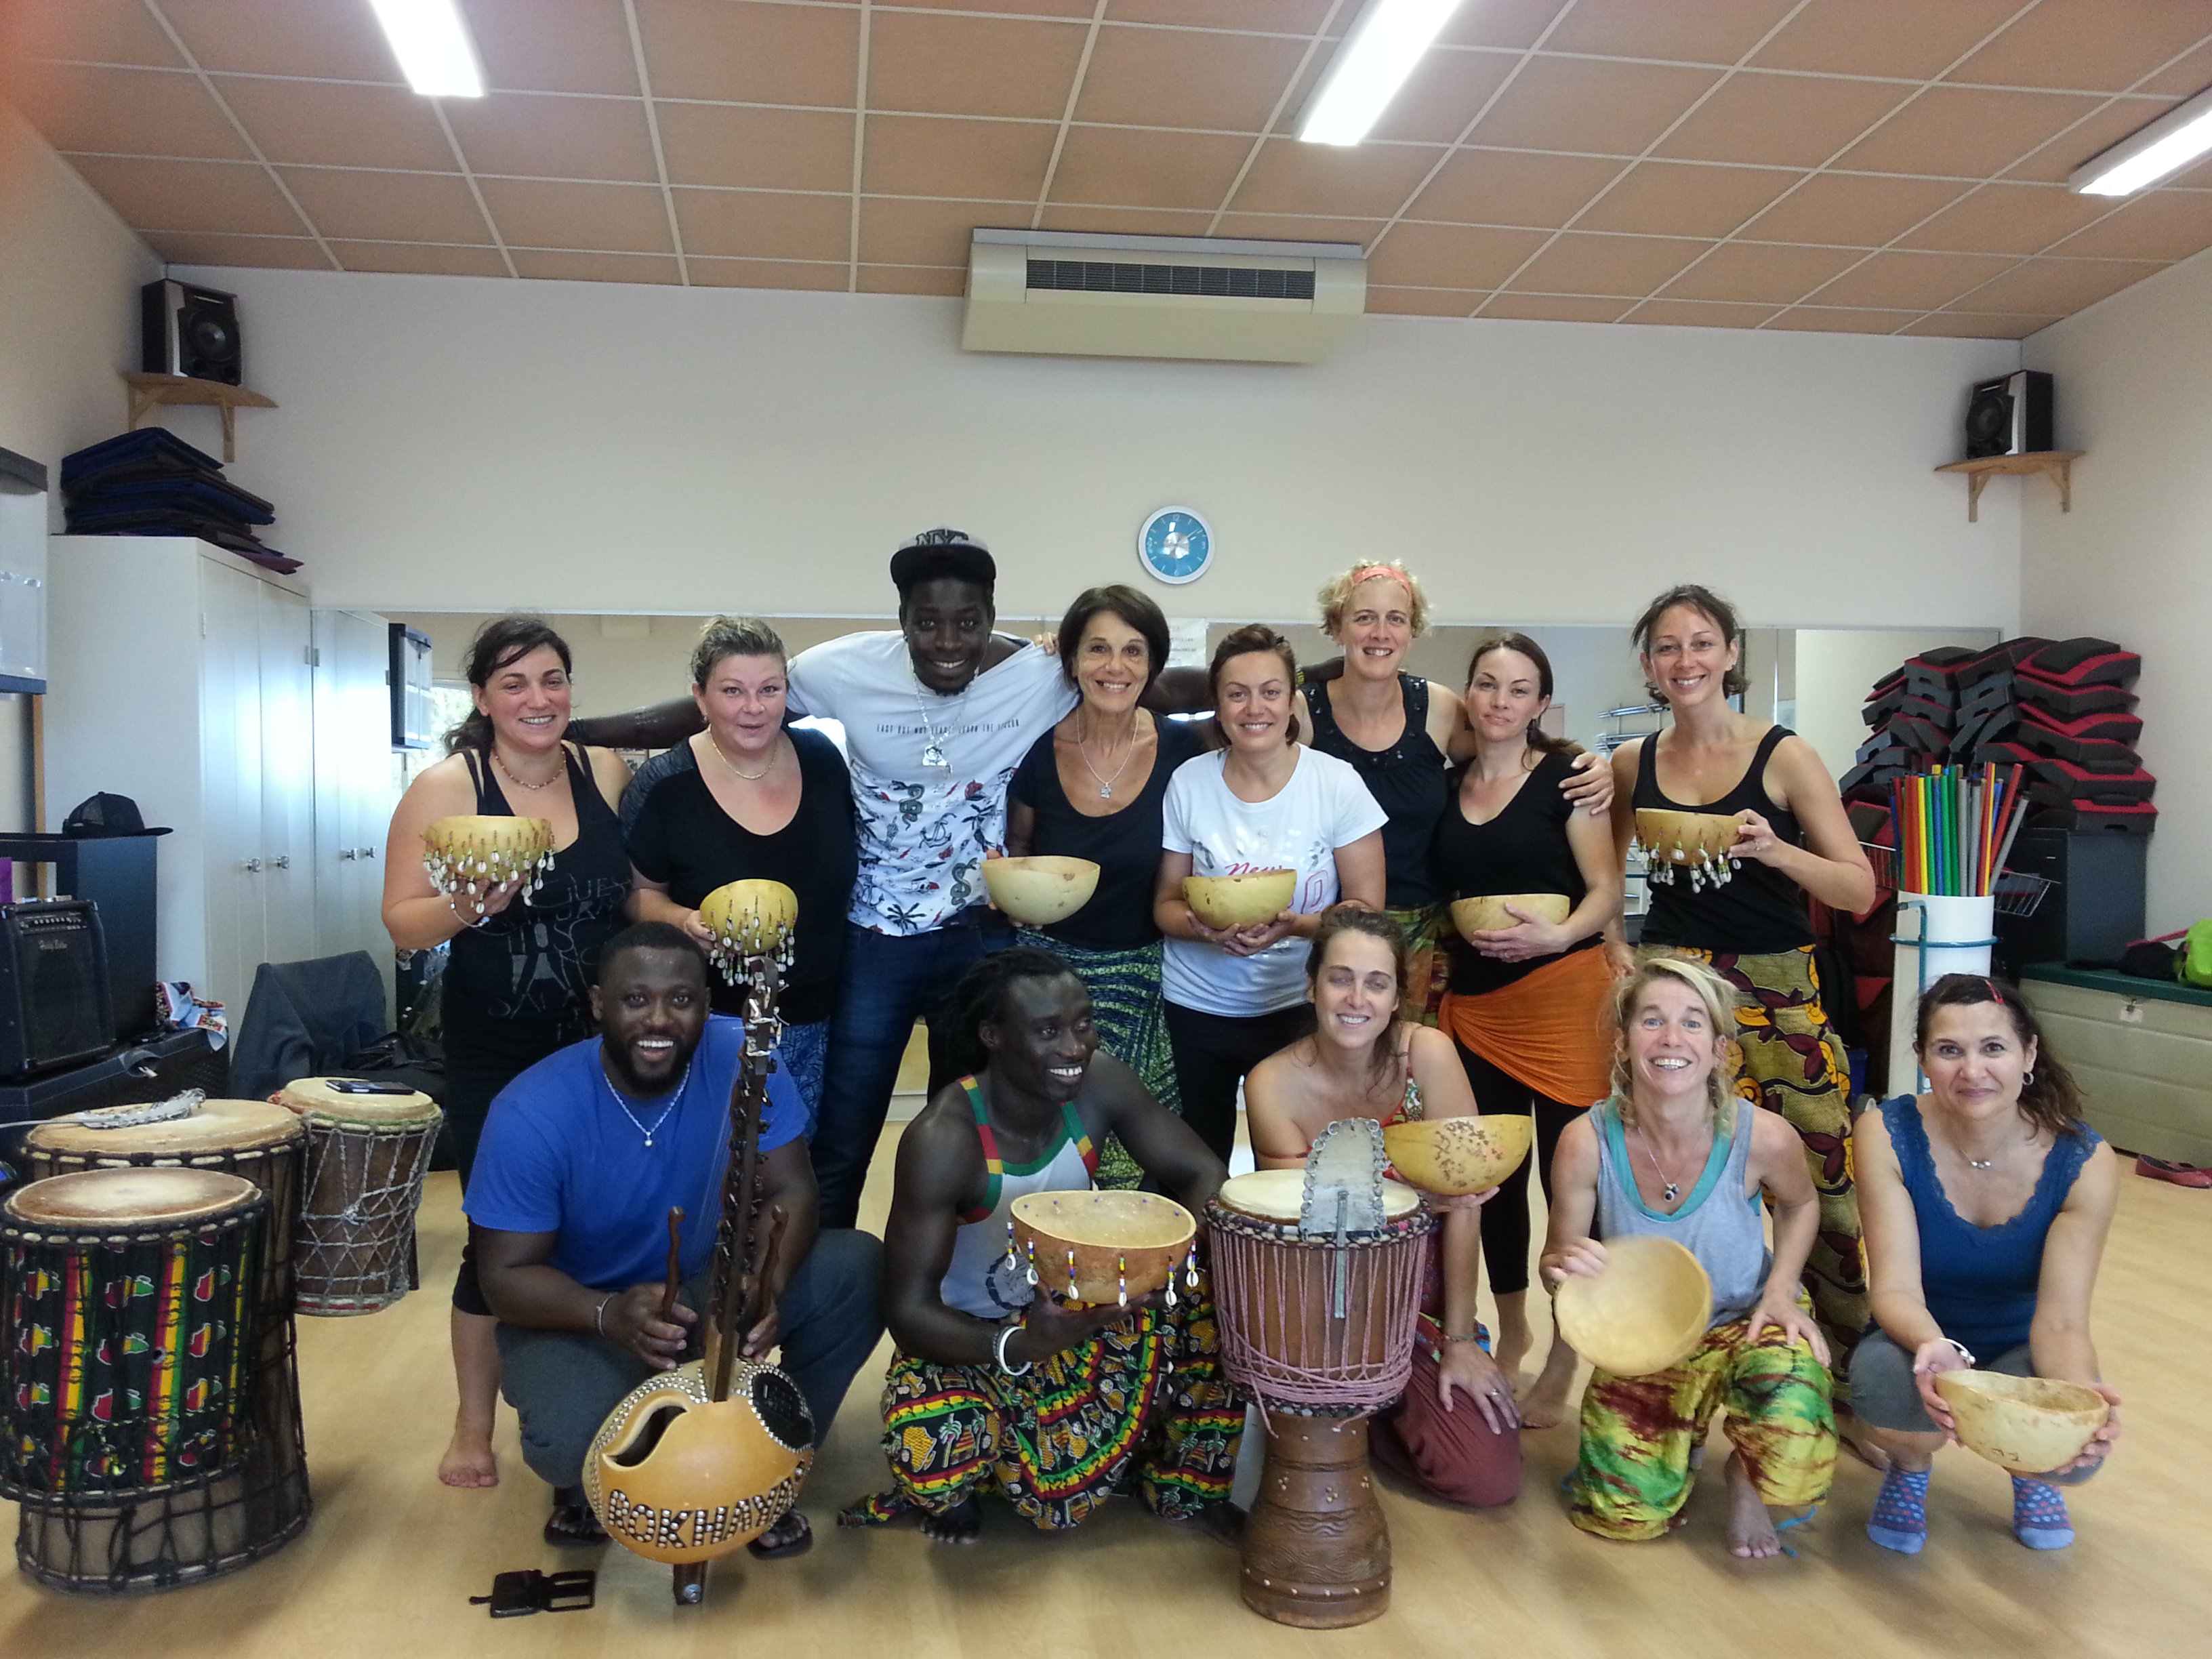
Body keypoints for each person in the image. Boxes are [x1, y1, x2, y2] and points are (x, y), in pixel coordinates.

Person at [573, 529, 1077, 1230]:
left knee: (972, 1129)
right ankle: (826, 1282)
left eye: (967, 622)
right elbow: (735, 702)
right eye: (927, 622)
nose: (947, 640)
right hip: (874, 941)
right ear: (902, 621)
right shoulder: (843, 668)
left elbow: (1148, 682)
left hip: (980, 939)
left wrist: (1286, 706)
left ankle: (948, 1285)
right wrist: (573, 729)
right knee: (844, 1134)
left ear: (993, 617)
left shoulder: (1039, 672)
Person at [467, 923, 884, 1551]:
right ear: (599, 1004)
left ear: (705, 1004)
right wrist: (606, 1314)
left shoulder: (746, 1057)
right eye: (636, 1000)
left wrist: (764, 1284)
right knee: (568, 1443)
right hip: (583, 1310)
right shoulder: (530, 1113)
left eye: (681, 1000)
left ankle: (768, 1460)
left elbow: (793, 1190)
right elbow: (503, 1279)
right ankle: (606, 1469)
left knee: (856, 1267)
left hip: (703, 1287)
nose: (659, 1019)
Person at [839, 947, 1241, 1544]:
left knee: (1214, 1294)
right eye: (1048, 1031)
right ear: (993, 1036)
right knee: (932, 1449)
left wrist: (1160, 1260)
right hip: (976, 1343)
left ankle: (1185, 1485)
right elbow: (909, 1313)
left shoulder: (1100, 1081)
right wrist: (1022, 1342)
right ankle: (971, 1483)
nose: (1075, 1047)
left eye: (1083, 1023)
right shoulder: (944, 1139)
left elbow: (1203, 1172)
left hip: (1081, 1313)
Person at [382, 616, 634, 1490]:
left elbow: (629, 891)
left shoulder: (601, 770)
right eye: (516, 682)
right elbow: (403, 920)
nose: (539, 698)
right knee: (500, 1235)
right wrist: (471, 908)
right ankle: (472, 1426)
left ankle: (595, 1380)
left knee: (601, 1216)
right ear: (482, 697)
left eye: (554, 679)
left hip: (604, 1045)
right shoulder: (448, 786)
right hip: (500, 1047)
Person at [1607, 584, 1877, 1395]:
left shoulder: (1785, 755)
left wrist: (1777, 852)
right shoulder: (1633, 761)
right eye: (1666, 647)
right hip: (1674, 985)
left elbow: (1859, 888)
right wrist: (1612, 941)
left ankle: (1853, 1377)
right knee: (1665, 1176)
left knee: (1825, 1184)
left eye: (1699, 643)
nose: (1684, 660)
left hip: (1779, 986)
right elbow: (1602, 863)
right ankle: (1658, 1355)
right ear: (1650, 665)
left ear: (1729, 653)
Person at [1545, 955, 1835, 1557]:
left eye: (1693, 1023)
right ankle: (1681, 1440)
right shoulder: (1584, 1141)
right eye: (1651, 1021)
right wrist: (1566, 1273)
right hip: (1646, 1340)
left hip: (1745, 1320)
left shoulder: (1763, 1137)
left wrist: (1781, 1288)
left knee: (1796, 1451)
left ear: (1719, 1050)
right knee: (1624, 1518)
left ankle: (1745, 1477)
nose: (1672, 1038)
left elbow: (1801, 1205)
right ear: (1624, 1044)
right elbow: (1555, 1262)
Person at [1244, 907, 1520, 1508]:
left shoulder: (1429, 1054)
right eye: (1340, 978)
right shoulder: (1268, 1082)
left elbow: (1467, 1200)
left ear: (1398, 996)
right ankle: (1352, 1407)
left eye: (1377, 983)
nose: (1356, 999)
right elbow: (1303, 1216)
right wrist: (1417, 1195)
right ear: (1312, 984)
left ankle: (1378, 1413)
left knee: (1486, 1480)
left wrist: (1460, 1340)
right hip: (1322, 1298)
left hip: (1422, 1298)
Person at [1851, 975, 2120, 1555]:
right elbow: (1894, 1289)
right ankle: (1910, 1466)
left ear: (2029, 1055)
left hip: (2022, 1351)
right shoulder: (1884, 1132)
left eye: (1993, 1048)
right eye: (1950, 1050)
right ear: (1923, 1058)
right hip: (1916, 1338)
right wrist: (1934, 1349)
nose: (1972, 1071)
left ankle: (2029, 1470)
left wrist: (2083, 1404)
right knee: (1880, 1386)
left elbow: (2063, 1324)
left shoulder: (2085, 1159)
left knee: (2073, 1462)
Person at [1433, 633, 1622, 1428]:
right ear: (1469, 694)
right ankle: (1510, 1334)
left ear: (1540, 705)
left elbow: (1606, 888)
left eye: (1518, 689)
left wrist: (1558, 936)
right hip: (1477, 1007)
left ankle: (1571, 1349)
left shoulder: (1568, 783)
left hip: (1564, 995)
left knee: (1571, 1182)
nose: (1500, 700)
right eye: (1487, 685)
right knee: (1493, 1182)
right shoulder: (1448, 783)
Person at [1298, 562, 1610, 1023]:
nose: (1380, 633)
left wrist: (1591, 763)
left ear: (1412, 631)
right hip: (1335, 931)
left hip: (1433, 938)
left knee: (1422, 1078)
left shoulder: (1437, 707)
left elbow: (1504, 735)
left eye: (1396, 619)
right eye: (1364, 617)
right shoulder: (1302, 711)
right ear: (1338, 625)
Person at [1153, 626, 1388, 1164]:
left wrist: (1298, 925)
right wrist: (1206, 930)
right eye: (1237, 693)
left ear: (1291, 702)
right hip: (1197, 1007)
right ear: (1218, 704)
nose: (1254, 707)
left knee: (1291, 1169)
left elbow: (1366, 912)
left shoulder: (1336, 783)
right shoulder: (1190, 782)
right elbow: (1165, 906)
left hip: (1295, 1005)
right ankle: (1208, 1255)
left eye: (1270, 691)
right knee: (1198, 1169)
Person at [1003, 585, 1204, 1189]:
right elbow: (1017, 852)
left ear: (1152, 665)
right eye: (1097, 649)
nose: (1114, 667)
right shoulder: (1039, 753)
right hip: (1051, 990)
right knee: (1051, 1160)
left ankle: (1138, 1282)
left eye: (1133, 651)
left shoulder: (1184, 749)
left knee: (1141, 1171)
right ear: (1071, 661)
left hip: (1149, 982)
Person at [623, 616, 857, 1125]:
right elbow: (639, 895)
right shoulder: (666, 785)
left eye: (769, 689)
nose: (754, 708)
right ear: (701, 698)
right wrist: (684, 921)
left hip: (821, 1017)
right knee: (717, 1178)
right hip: (711, 1024)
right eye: (733, 691)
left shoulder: (822, 762)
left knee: (804, 1177)